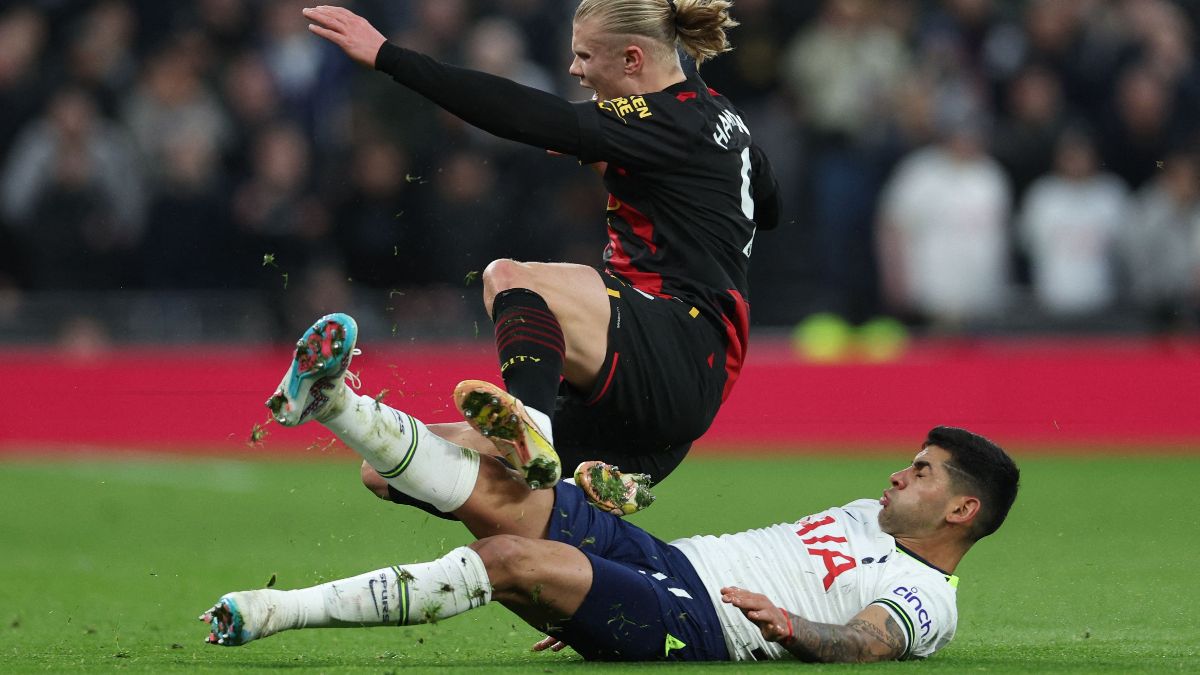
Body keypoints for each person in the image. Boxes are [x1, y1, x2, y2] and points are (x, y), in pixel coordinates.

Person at [211, 315, 1020, 662]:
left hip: (701, 624)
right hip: (665, 562)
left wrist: (793, 625)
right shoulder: (864, 515)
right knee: (488, 491)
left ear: (962, 509)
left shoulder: (926, 594)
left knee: (509, 557)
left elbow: (867, 641)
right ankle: (336, 404)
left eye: (920, 471)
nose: (896, 472)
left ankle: (280, 611)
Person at [296, 2, 782, 499]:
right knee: (392, 472)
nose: (575, 69)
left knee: (510, 279)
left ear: (633, 59)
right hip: (660, 391)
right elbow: (769, 206)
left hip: (677, 343)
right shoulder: (720, 117)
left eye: (585, 56)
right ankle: (337, 405)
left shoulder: (665, 120)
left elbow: (520, 114)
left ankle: (531, 427)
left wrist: (388, 56)